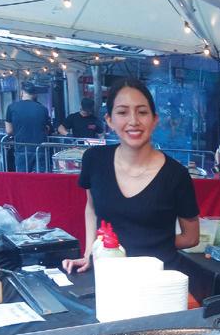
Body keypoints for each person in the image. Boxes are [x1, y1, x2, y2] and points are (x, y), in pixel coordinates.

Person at [62, 77, 199, 274]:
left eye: (142, 112)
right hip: (108, 274)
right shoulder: (94, 159)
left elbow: (191, 237)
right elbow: (91, 208)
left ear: (154, 120)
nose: (133, 121)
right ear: (109, 120)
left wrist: (152, 244)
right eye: (122, 112)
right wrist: (89, 253)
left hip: (158, 277)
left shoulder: (176, 174)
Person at [5, 81, 50, 172]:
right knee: (41, 178)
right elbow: (46, 128)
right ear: (34, 94)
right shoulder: (43, 108)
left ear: (22, 92)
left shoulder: (12, 107)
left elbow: (9, 131)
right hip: (40, 148)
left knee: (23, 178)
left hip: (22, 148)